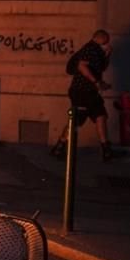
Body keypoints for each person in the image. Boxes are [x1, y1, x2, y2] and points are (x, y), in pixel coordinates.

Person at [50, 29, 116, 162]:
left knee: (100, 116)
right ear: (100, 39)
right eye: (106, 42)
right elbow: (82, 66)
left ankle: (106, 149)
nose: (107, 44)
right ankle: (60, 146)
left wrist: (107, 55)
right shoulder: (90, 48)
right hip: (81, 91)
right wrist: (96, 82)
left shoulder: (97, 51)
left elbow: (100, 67)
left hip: (90, 91)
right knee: (77, 120)